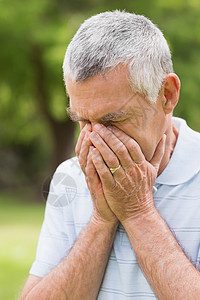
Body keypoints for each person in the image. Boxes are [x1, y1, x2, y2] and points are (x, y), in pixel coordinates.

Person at [21, 10, 200, 299]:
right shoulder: (70, 175)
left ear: (166, 94)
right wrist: (101, 221)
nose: (93, 141)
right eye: (82, 120)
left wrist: (137, 212)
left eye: (112, 121)